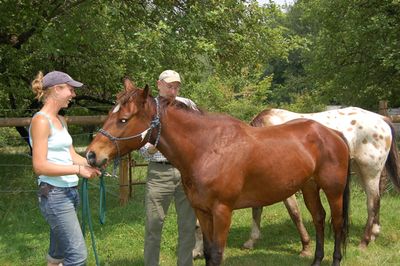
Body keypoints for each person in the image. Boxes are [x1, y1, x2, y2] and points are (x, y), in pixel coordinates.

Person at [29, 70, 101, 266]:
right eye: (70, 89)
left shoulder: (60, 120)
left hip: (70, 193)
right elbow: (39, 166)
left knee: (58, 254)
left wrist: (91, 164)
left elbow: (71, 156)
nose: (73, 94)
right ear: (56, 89)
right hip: (54, 195)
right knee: (78, 256)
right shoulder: (41, 121)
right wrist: (77, 171)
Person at [140, 70, 197, 266]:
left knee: (188, 226)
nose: (173, 90)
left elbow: (201, 133)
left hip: (186, 173)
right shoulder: (148, 108)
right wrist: (153, 145)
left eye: (176, 86)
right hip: (159, 173)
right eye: (169, 86)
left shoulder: (187, 105)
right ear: (159, 84)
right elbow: (142, 150)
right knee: (153, 226)